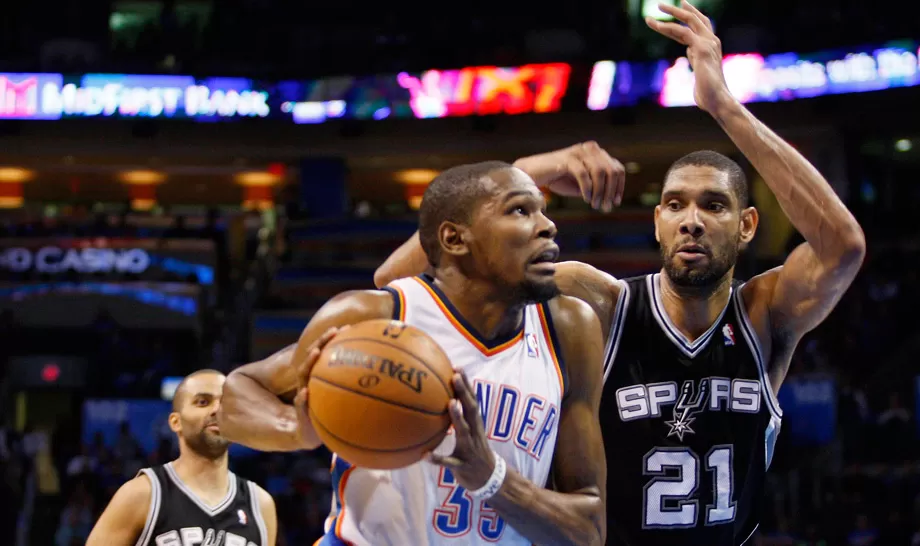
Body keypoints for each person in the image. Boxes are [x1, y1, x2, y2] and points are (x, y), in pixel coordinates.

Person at [373, 3, 867, 545]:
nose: (693, 222)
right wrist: (529, 172)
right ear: (658, 223)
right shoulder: (601, 302)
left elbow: (842, 246)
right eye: (675, 205)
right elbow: (400, 283)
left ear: (748, 225)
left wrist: (723, 105)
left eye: (714, 206)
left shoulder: (763, 316)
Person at [217, 161, 610, 546]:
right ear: (455, 239)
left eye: (543, 210)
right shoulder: (377, 317)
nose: (548, 225)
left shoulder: (570, 329)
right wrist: (295, 429)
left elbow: (588, 531)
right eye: (521, 210)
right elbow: (237, 393)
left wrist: (491, 479)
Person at [86, 370, 277, 546]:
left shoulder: (261, 504)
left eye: (225, 403)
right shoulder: (143, 495)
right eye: (203, 402)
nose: (217, 410)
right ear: (176, 422)